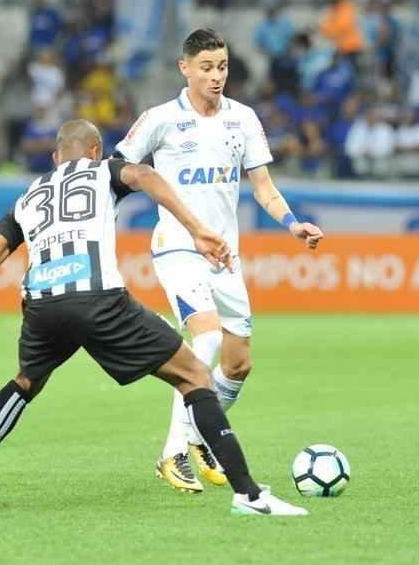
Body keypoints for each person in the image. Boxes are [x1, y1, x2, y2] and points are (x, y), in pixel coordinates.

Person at [0, 119, 307, 517]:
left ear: (56, 157)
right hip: (98, 299)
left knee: (25, 383)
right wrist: (196, 227)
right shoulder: (103, 170)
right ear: (95, 151)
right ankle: (249, 495)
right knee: (196, 376)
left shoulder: (29, 196)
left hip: (42, 305)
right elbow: (145, 176)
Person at [115, 28, 324, 493]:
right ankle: (172, 453)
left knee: (238, 362)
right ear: (184, 68)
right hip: (177, 246)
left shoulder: (243, 119)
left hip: (224, 254)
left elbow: (263, 187)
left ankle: (199, 434)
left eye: (223, 67)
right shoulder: (160, 119)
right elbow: (119, 169)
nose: (216, 76)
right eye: (206, 67)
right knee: (204, 338)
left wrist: (291, 223)